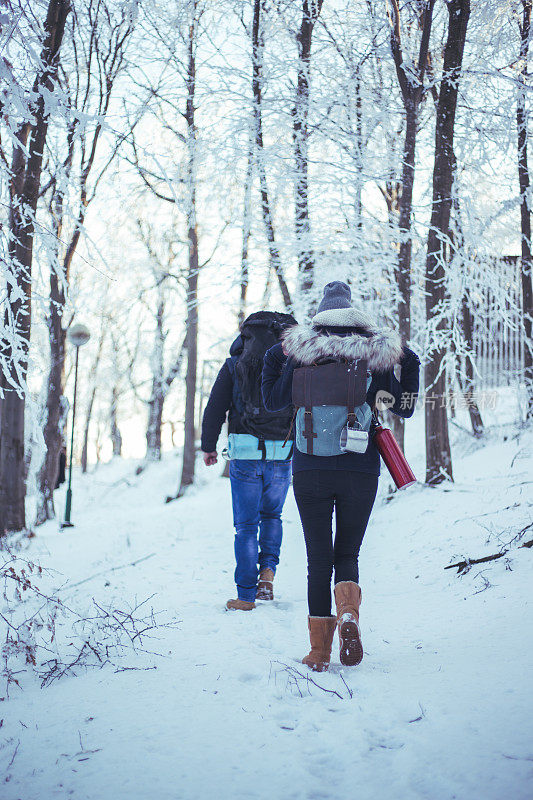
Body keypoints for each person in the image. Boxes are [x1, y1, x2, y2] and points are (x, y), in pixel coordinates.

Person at [262, 281, 420, 671]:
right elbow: (406, 407)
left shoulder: (300, 354)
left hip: (310, 468)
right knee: (347, 553)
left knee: (318, 559)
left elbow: (271, 402)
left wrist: (274, 356)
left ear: (320, 316)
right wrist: (406, 358)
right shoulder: (372, 355)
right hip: (359, 466)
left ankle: (319, 652)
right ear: (353, 314)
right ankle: (348, 612)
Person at [201, 311, 296, 611]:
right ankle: (267, 575)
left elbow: (215, 407)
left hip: (244, 454)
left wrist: (208, 447)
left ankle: (245, 596)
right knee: (273, 517)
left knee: (245, 526)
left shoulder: (233, 365)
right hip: (282, 453)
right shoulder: (291, 365)